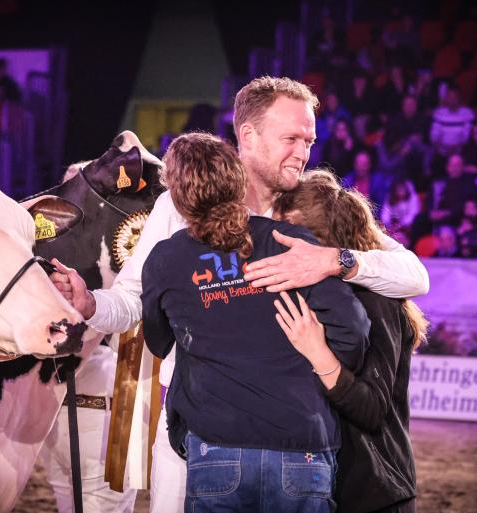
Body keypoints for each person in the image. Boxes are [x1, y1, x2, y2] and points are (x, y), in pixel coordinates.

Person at [50, 76, 429, 513]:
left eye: (309, 140)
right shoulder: (179, 206)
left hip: (297, 433)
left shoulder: (309, 204)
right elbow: (133, 298)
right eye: (291, 138)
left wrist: (334, 260)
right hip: (199, 433)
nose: (303, 152)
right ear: (247, 135)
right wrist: (91, 303)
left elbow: (414, 274)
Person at [141, 133, 370, 512]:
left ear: (178, 197)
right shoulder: (288, 240)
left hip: (217, 447)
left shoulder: (166, 260)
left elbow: (159, 341)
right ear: (238, 180)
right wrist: (318, 366)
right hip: (301, 444)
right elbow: (354, 332)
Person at [272, 170, 427, 513]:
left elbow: (371, 409)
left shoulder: (377, 301)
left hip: (374, 491)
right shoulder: (318, 294)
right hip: (328, 487)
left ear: (317, 241)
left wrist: (318, 353)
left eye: (286, 233)